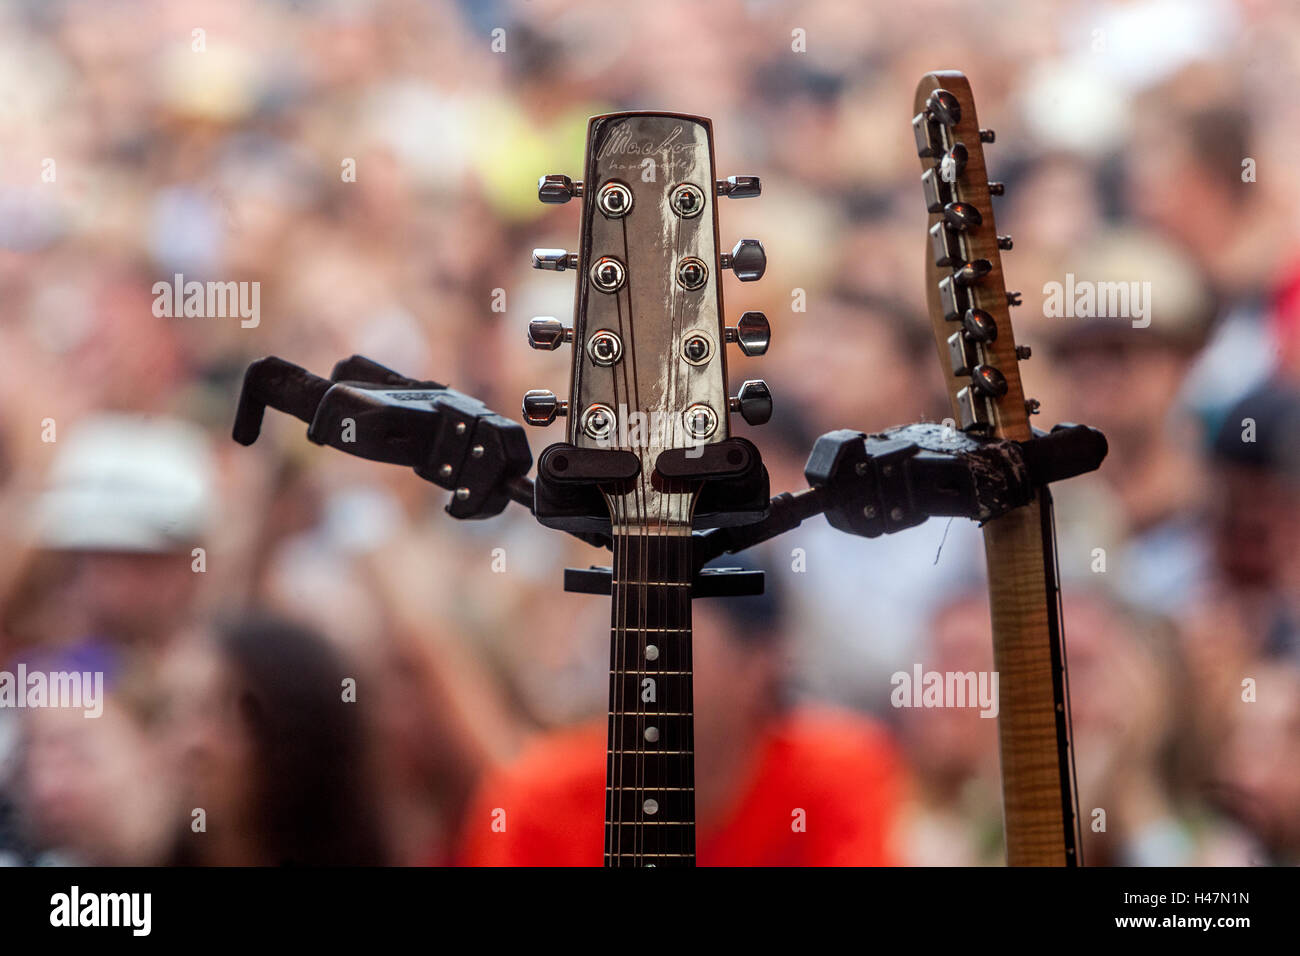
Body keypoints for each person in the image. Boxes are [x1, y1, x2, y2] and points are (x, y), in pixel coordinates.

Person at [456, 566, 905, 866]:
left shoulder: (838, 770)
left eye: (668, 649)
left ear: (760, 662)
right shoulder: (538, 793)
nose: (642, 671)